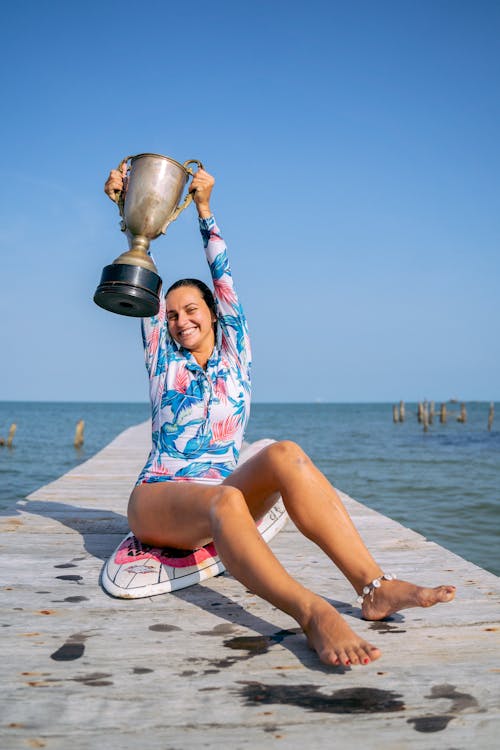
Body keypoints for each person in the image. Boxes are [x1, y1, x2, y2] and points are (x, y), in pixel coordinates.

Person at [104, 165, 455, 668]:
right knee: (224, 501)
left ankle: (374, 587)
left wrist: (204, 210)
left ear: (213, 313)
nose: (181, 320)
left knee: (285, 453)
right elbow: (142, 267)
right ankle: (310, 612)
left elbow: (224, 279)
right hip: (160, 496)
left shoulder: (236, 352)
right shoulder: (162, 356)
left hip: (221, 488)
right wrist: (127, 211)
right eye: (173, 314)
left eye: (191, 309)